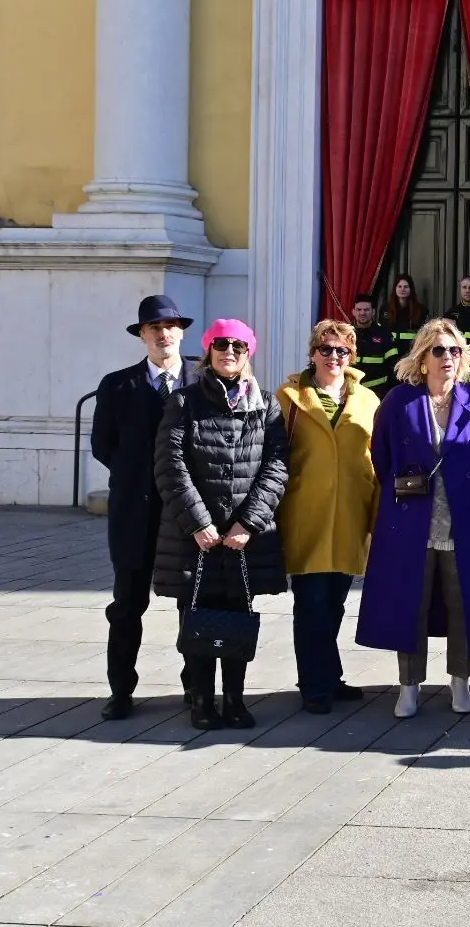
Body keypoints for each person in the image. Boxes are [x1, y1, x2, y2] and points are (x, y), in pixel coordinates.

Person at [356, 318, 470, 719]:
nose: (447, 357)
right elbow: (381, 455)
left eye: (455, 350)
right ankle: (409, 685)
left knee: (463, 604)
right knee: (410, 604)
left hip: (464, 522)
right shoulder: (399, 401)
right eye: (439, 350)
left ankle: (460, 681)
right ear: (422, 358)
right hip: (411, 521)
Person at [153, 319, 289, 730]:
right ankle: (201, 700)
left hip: (242, 538)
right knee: (195, 614)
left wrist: (249, 522)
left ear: (249, 353)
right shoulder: (184, 402)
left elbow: (277, 466)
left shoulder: (266, 405)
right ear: (209, 351)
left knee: (236, 616)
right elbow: (170, 466)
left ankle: (234, 699)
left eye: (238, 346)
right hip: (194, 536)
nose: (229, 352)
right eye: (221, 344)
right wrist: (198, 523)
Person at [92, 295, 202, 719]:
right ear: (142, 335)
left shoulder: (204, 379)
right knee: (126, 606)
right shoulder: (117, 385)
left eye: (171, 326)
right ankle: (121, 691)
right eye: (154, 327)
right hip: (134, 514)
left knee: (192, 603)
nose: (163, 334)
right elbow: (103, 445)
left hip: (189, 513)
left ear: (182, 332)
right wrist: (138, 476)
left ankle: (195, 687)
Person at [275, 320, 381, 714]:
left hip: (352, 512)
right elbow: (275, 456)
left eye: (342, 350)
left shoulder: (368, 399)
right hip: (307, 512)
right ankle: (314, 685)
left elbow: (376, 457)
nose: (334, 357)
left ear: (351, 355)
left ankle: (329, 676)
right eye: (326, 349)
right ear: (312, 354)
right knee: (311, 603)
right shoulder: (288, 397)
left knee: (335, 601)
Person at [350, 294, 398, 397]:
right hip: (351, 393)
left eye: (366, 310)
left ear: (373, 312)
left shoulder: (384, 334)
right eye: (359, 309)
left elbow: (393, 367)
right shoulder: (345, 334)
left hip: (377, 393)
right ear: (353, 312)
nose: (362, 313)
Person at [384, 274, 429, 350]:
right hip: (390, 351)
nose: (402, 289)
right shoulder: (385, 309)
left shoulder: (421, 310)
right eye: (399, 286)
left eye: (406, 287)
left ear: (411, 289)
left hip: (411, 351)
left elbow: (425, 335)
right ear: (395, 289)